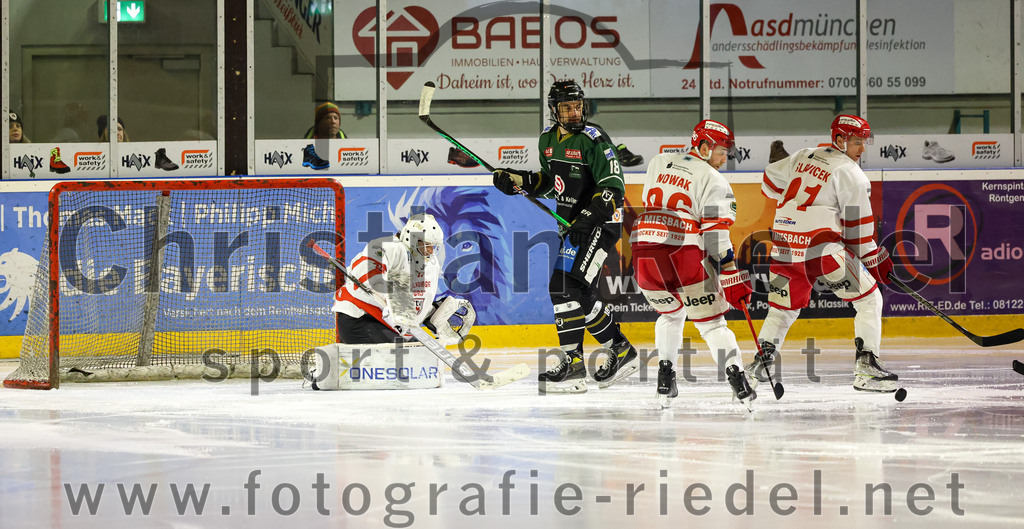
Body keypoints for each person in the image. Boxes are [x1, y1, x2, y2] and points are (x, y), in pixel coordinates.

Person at [492, 79, 637, 394]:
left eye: (577, 106)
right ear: (554, 110)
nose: (574, 113)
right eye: (566, 107)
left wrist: (588, 216)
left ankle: (574, 364)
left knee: (563, 286)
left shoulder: (594, 139)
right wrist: (519, 181)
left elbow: (613, 187)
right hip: (574, 226)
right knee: (576, 292)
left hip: (600, 223)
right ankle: (620, 350)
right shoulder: (547, 140)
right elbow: (550, 183)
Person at [747, 114, 897, 393]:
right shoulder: (851, 174)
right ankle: (866, 369)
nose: (861, 149)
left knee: (782, 310)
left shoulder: (803, 155)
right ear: (839, 140)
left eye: (864, 142)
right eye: (856, 143)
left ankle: (758, 366)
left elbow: (768, 183)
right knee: (869, 299)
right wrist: (874, 260)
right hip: (822, 250)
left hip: (783, 248)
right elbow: (859, 233)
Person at [629, 119, 756, 409]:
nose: (726, 157)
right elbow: (715, 237)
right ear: (703, 146)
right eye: (722, 150)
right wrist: (730, 273)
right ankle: (738, 382)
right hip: (683, 254)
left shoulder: (659, 161)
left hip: (644, 254)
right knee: (712, 324)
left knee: (671, 316)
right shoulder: (714, 180)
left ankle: (664, 380)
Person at [332, 213, 472, 346]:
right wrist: (397, 302)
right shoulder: (386, 247)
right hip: (360, 318)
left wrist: (432, 312)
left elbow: (414, 302)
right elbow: (368, 276)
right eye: (425, 244)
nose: (430, 251)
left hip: (392, 326)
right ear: (410, 239)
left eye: (433, 246)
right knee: (403, 357)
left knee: (421, 355)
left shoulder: (431, 263)